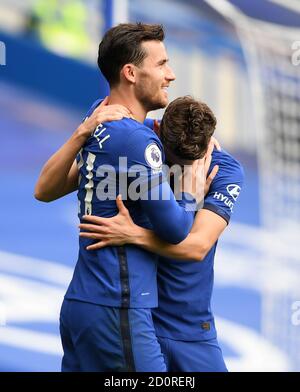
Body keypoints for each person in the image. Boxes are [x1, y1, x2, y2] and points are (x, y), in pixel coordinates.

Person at [35, 23, 212, 372]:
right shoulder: (135, 142)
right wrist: (191, 190)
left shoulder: (99, 115)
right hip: (118, 307)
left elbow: (45, 190)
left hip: (82, 304)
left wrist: (80, 132)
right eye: (161, 64)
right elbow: (177, 229)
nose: (171, 75)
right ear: (130, 73)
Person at [78, 96, 245, 372]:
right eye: (175, 161)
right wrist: (82, 131)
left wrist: (133, 234)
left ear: (206, 145)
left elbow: (197, 247)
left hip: (192, 329)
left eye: (190, 162)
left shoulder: (223, 169)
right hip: (138, 323)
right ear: (159, 132)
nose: (182, 168)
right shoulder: (135, 145)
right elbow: (48, 189)